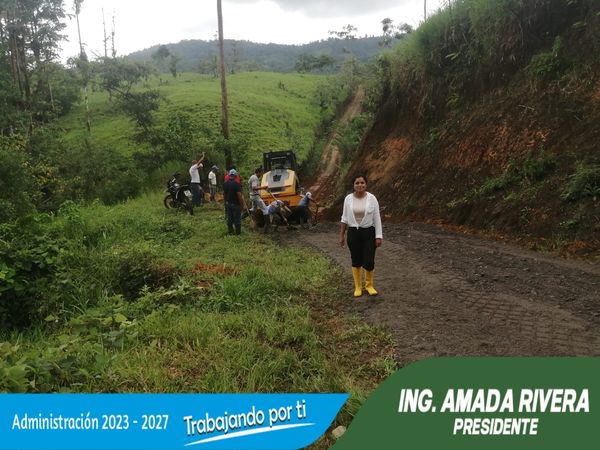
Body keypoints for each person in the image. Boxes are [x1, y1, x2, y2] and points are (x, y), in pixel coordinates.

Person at [339, 175, 383, 297]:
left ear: (366, 184)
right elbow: (344, 218)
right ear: (353, 185)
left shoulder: (372, 198)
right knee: (356, 260)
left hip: (369, 232)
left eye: (362, 182)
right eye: (357, 183)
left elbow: (377, 218)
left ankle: (369, 285)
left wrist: (378, 236)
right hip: (353, 233)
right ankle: (358, 287)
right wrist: (341, 235)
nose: (360, 185)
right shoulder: (348, 199)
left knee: (369, 261)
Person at [223, 169, 248, 235]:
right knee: (237, 219)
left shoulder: (225, 184)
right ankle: (238, 234)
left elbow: (224, 194)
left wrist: (225, 202)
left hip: (228, 204)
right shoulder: (237, 184)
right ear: (235, 176)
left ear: (229, 175)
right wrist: (242, 205)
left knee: (230, 219)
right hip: (236, 204)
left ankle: (230, 232)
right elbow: (239, 195)